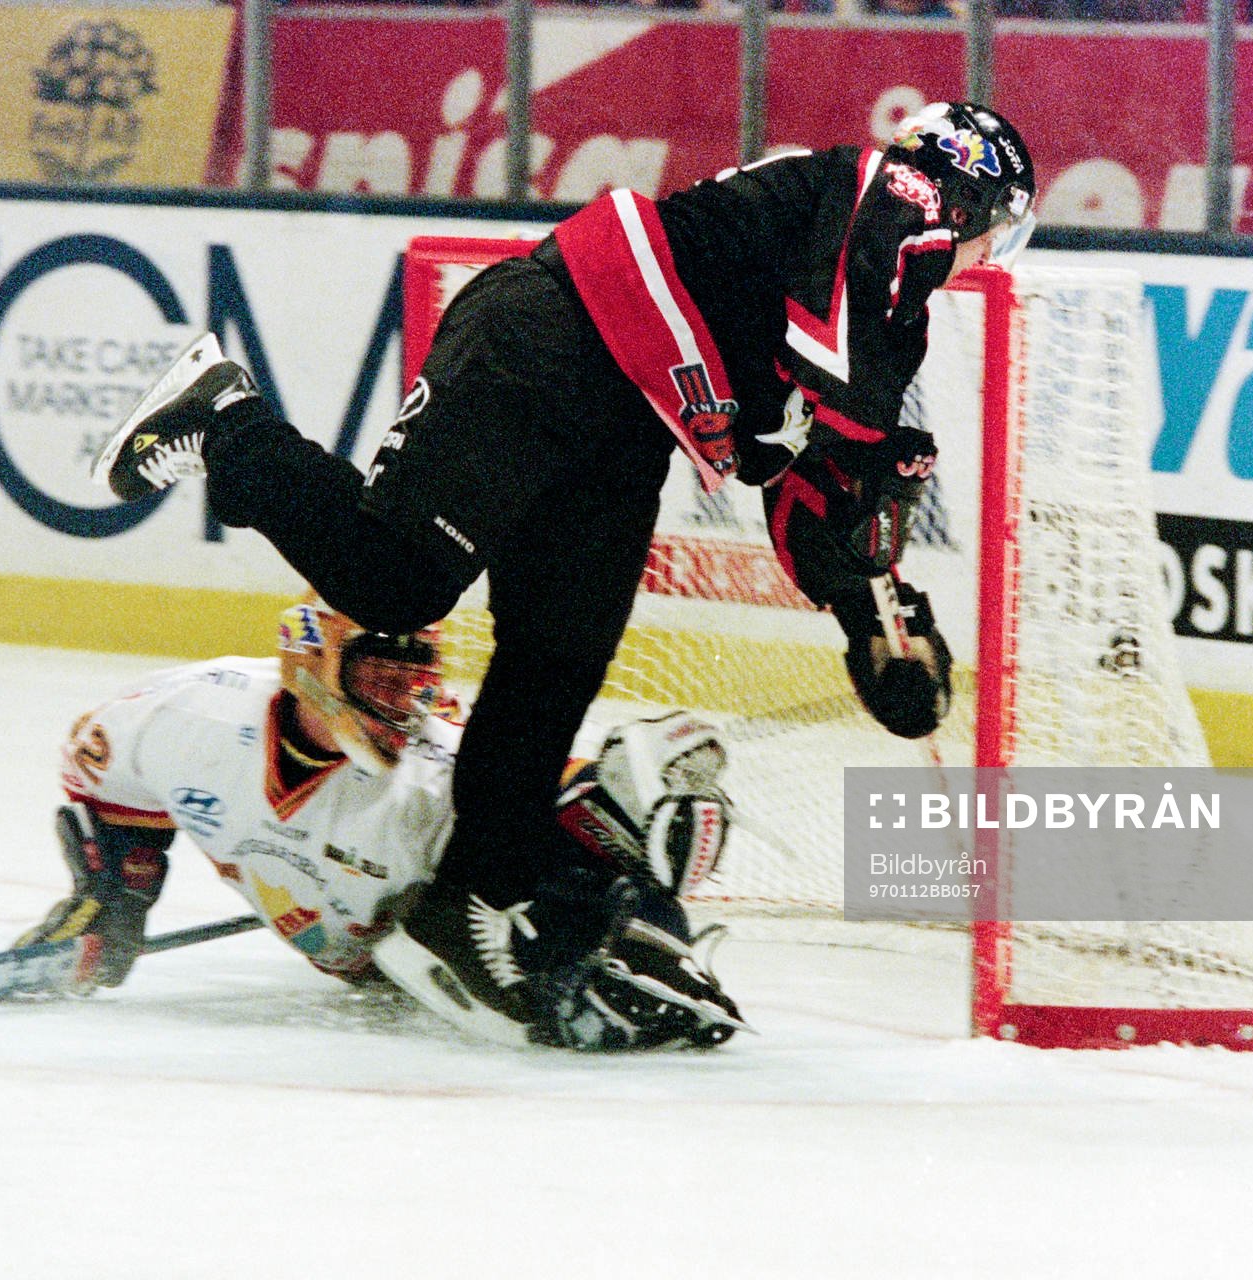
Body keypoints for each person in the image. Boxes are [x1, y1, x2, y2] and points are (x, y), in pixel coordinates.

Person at [90, 100, 1035, 1046]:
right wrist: (870, 452)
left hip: (630, 426)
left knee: (557, 661)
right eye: (999, 234)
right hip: (552, 340)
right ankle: (226, 418)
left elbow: (809, 483)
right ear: (970, 198)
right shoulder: (883, 199)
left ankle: (468, 900)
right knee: (397, 587)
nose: (988, 261)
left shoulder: (884, 306)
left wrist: (873, 612)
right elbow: (845, 370)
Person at [9, 595, 744, 1051]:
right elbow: (100, 769)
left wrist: (634, 842)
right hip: (368, 948)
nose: (400, 701)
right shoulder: (190, 717)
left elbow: (544, 796)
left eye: (413, 678)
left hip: (417, 957)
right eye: (377, 678)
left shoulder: (435, 775)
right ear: (313, 665)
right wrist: (117, 891)